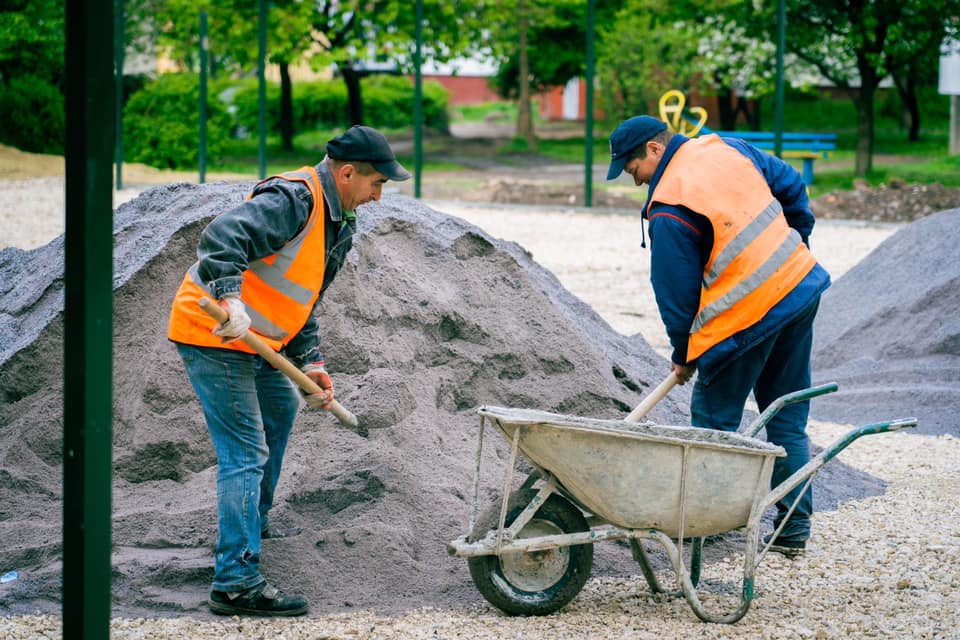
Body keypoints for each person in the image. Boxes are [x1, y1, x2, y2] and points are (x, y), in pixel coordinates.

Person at [168, 125, 410, 616]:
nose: (379, 196)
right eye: (376, 184)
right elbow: (221, 236)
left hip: (258, 341)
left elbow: (302, 299)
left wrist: (312, 363)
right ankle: (235, 580)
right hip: (212, 329)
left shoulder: (339, 221)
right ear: (346, 173)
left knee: (281, 408)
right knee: (245, 451)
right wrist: (230, 298)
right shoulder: (293, 199)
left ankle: (251, 523)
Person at [607, 115, 831, 558]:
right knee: (785, 413)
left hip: (746, 316)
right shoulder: (724, 146)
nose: (635, 182)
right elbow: (792, 186)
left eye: (633, 169)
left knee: (713, 421)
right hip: (800, 288)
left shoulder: (670, 207)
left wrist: (685, 353)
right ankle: (792, 530)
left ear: (654, 150)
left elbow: (676, 294)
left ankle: (699, 529)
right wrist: (795, 244)